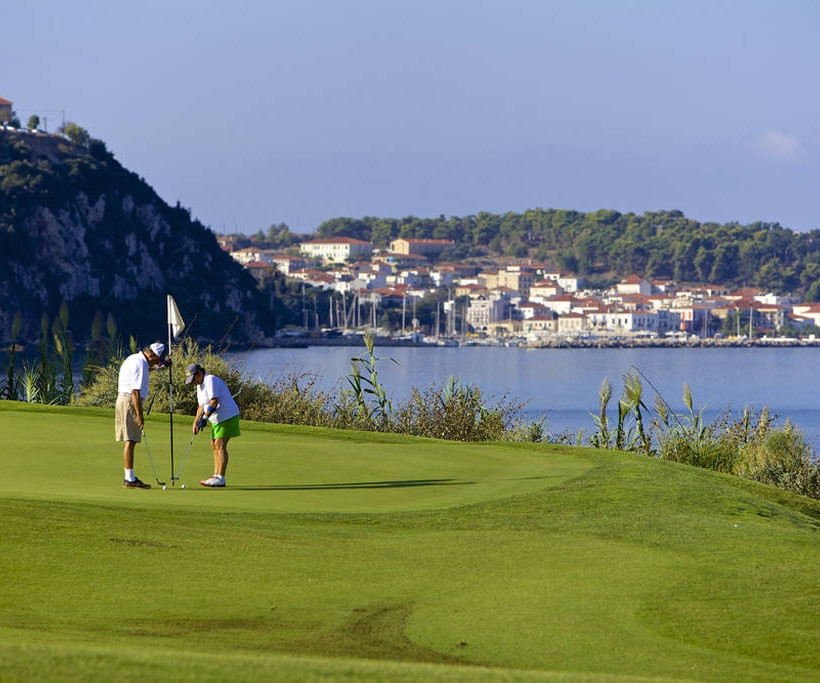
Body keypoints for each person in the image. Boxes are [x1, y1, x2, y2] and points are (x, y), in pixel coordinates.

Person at [115, 342, 170, 488]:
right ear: (151, 354)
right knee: (130, 441)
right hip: (130, 401)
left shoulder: (136, 359)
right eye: (157, 359)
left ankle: (130, 478)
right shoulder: (140, 364)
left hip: (123, 400)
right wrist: (140, 415)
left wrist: (160, 368)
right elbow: (135, 391)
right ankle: (129, 479)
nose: (158, 362)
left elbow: (147, 369)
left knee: (130, 440)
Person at [185, 362, 241, 487]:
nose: (193, 382)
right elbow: (202, 405)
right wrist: (196, 422)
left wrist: (204, 419)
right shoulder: (200, 385)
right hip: (217, 419)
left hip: (227, 415)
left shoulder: (210, 380)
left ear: (199, 374)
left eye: (193, 379)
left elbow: (214, 402)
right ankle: (215, 475)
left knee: (220, 444)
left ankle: (220, 477)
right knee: (214, 444)